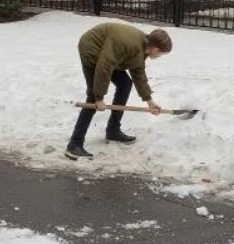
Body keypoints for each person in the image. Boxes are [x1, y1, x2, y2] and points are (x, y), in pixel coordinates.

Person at [66, 22, 171, 159]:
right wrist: (99, 98)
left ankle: (113, 130)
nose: (159, 57)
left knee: (125, 84)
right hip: (91, 49)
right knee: (92, 98)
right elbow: (104, 66)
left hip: (108, 53)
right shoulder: (129, 44)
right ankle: (74, 144)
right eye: (161, 54)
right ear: (155, 50)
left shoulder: (142, 48)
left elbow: (139, 75)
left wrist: (150, 102)